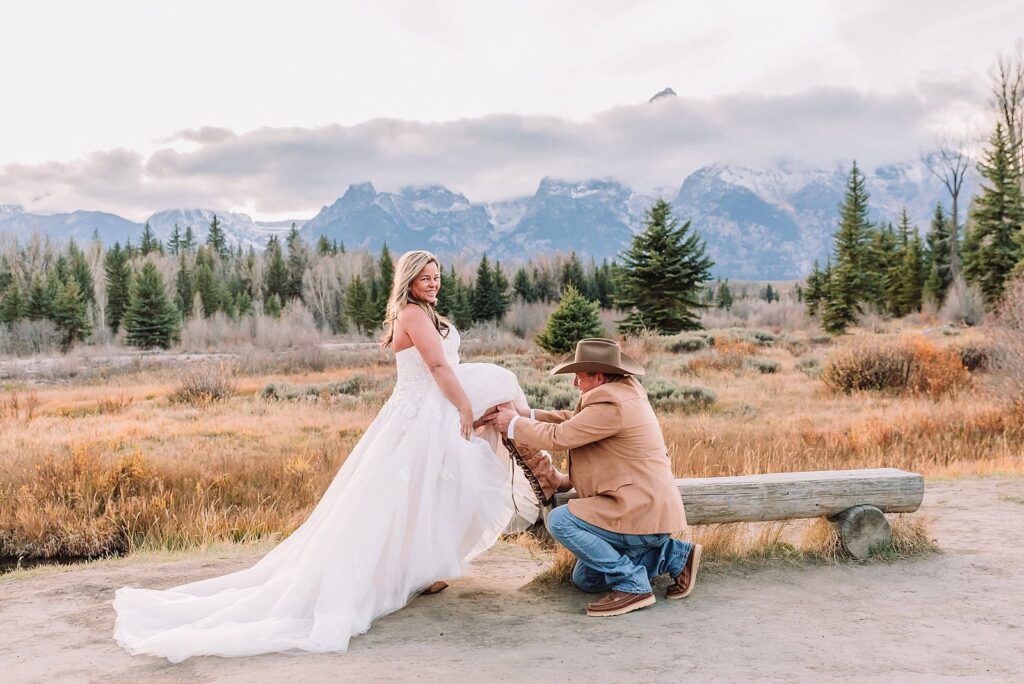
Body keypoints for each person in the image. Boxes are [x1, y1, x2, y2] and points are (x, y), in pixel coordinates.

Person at [113, 250, 540, 662]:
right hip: (423, 410)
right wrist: (465, 407)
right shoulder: (412, 313)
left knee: (435, 482)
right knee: (411, 488)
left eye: (437, 276)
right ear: (408, 281)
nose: (434, 283)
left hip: (430, 408)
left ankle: (431, 562)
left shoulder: (425, 313)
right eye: (426, 277)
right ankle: (545, 475)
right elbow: (439, 369)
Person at [485, 338, 702, 617]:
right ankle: (673, 556)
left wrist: (512, 425)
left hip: (638, 510)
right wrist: (527, 414)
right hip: (640, 506)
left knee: (560, 520)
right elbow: (572, 420)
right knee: (586, 580)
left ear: (598, 376)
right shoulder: (621, 390)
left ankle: (632, 585)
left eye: (579, 376)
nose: (575, 384)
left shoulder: (610, 401)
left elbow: (560, 436)